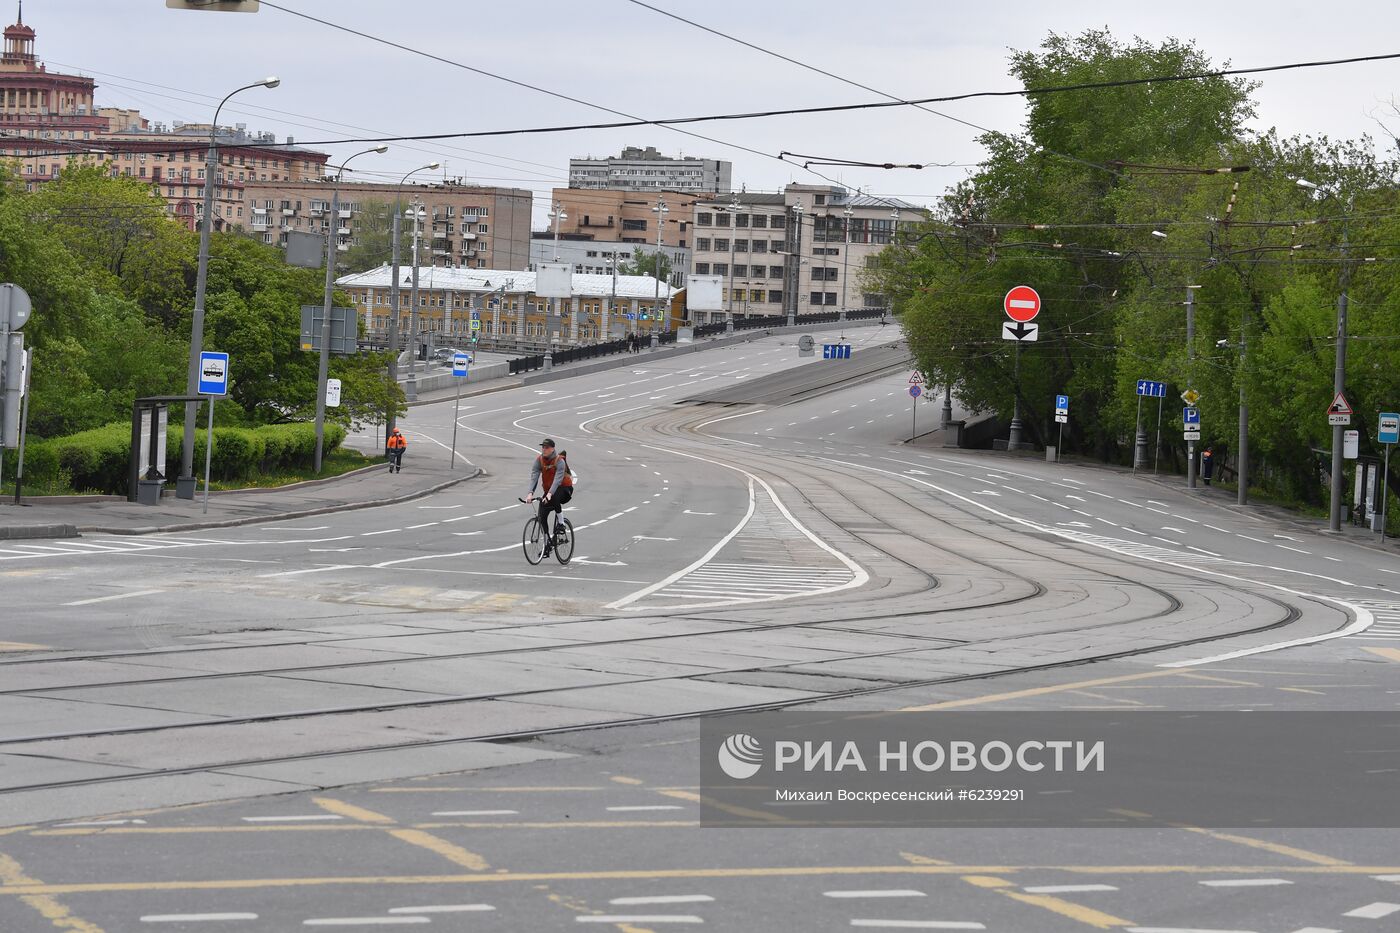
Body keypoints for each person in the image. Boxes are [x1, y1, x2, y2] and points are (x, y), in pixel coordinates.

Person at [525, 438, 573, 556]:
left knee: (554, 496)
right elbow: (534, 476)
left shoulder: (559, 461)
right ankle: (547, 545)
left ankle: (561, 523)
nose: (544, 449)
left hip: (565, 489)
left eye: (547, 447)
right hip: (550, 491)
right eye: (543, 447)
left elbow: (557, 480)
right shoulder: (539, 460)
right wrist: (530, 493)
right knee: (542, 514)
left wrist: (549, 494)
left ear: (552, 449)